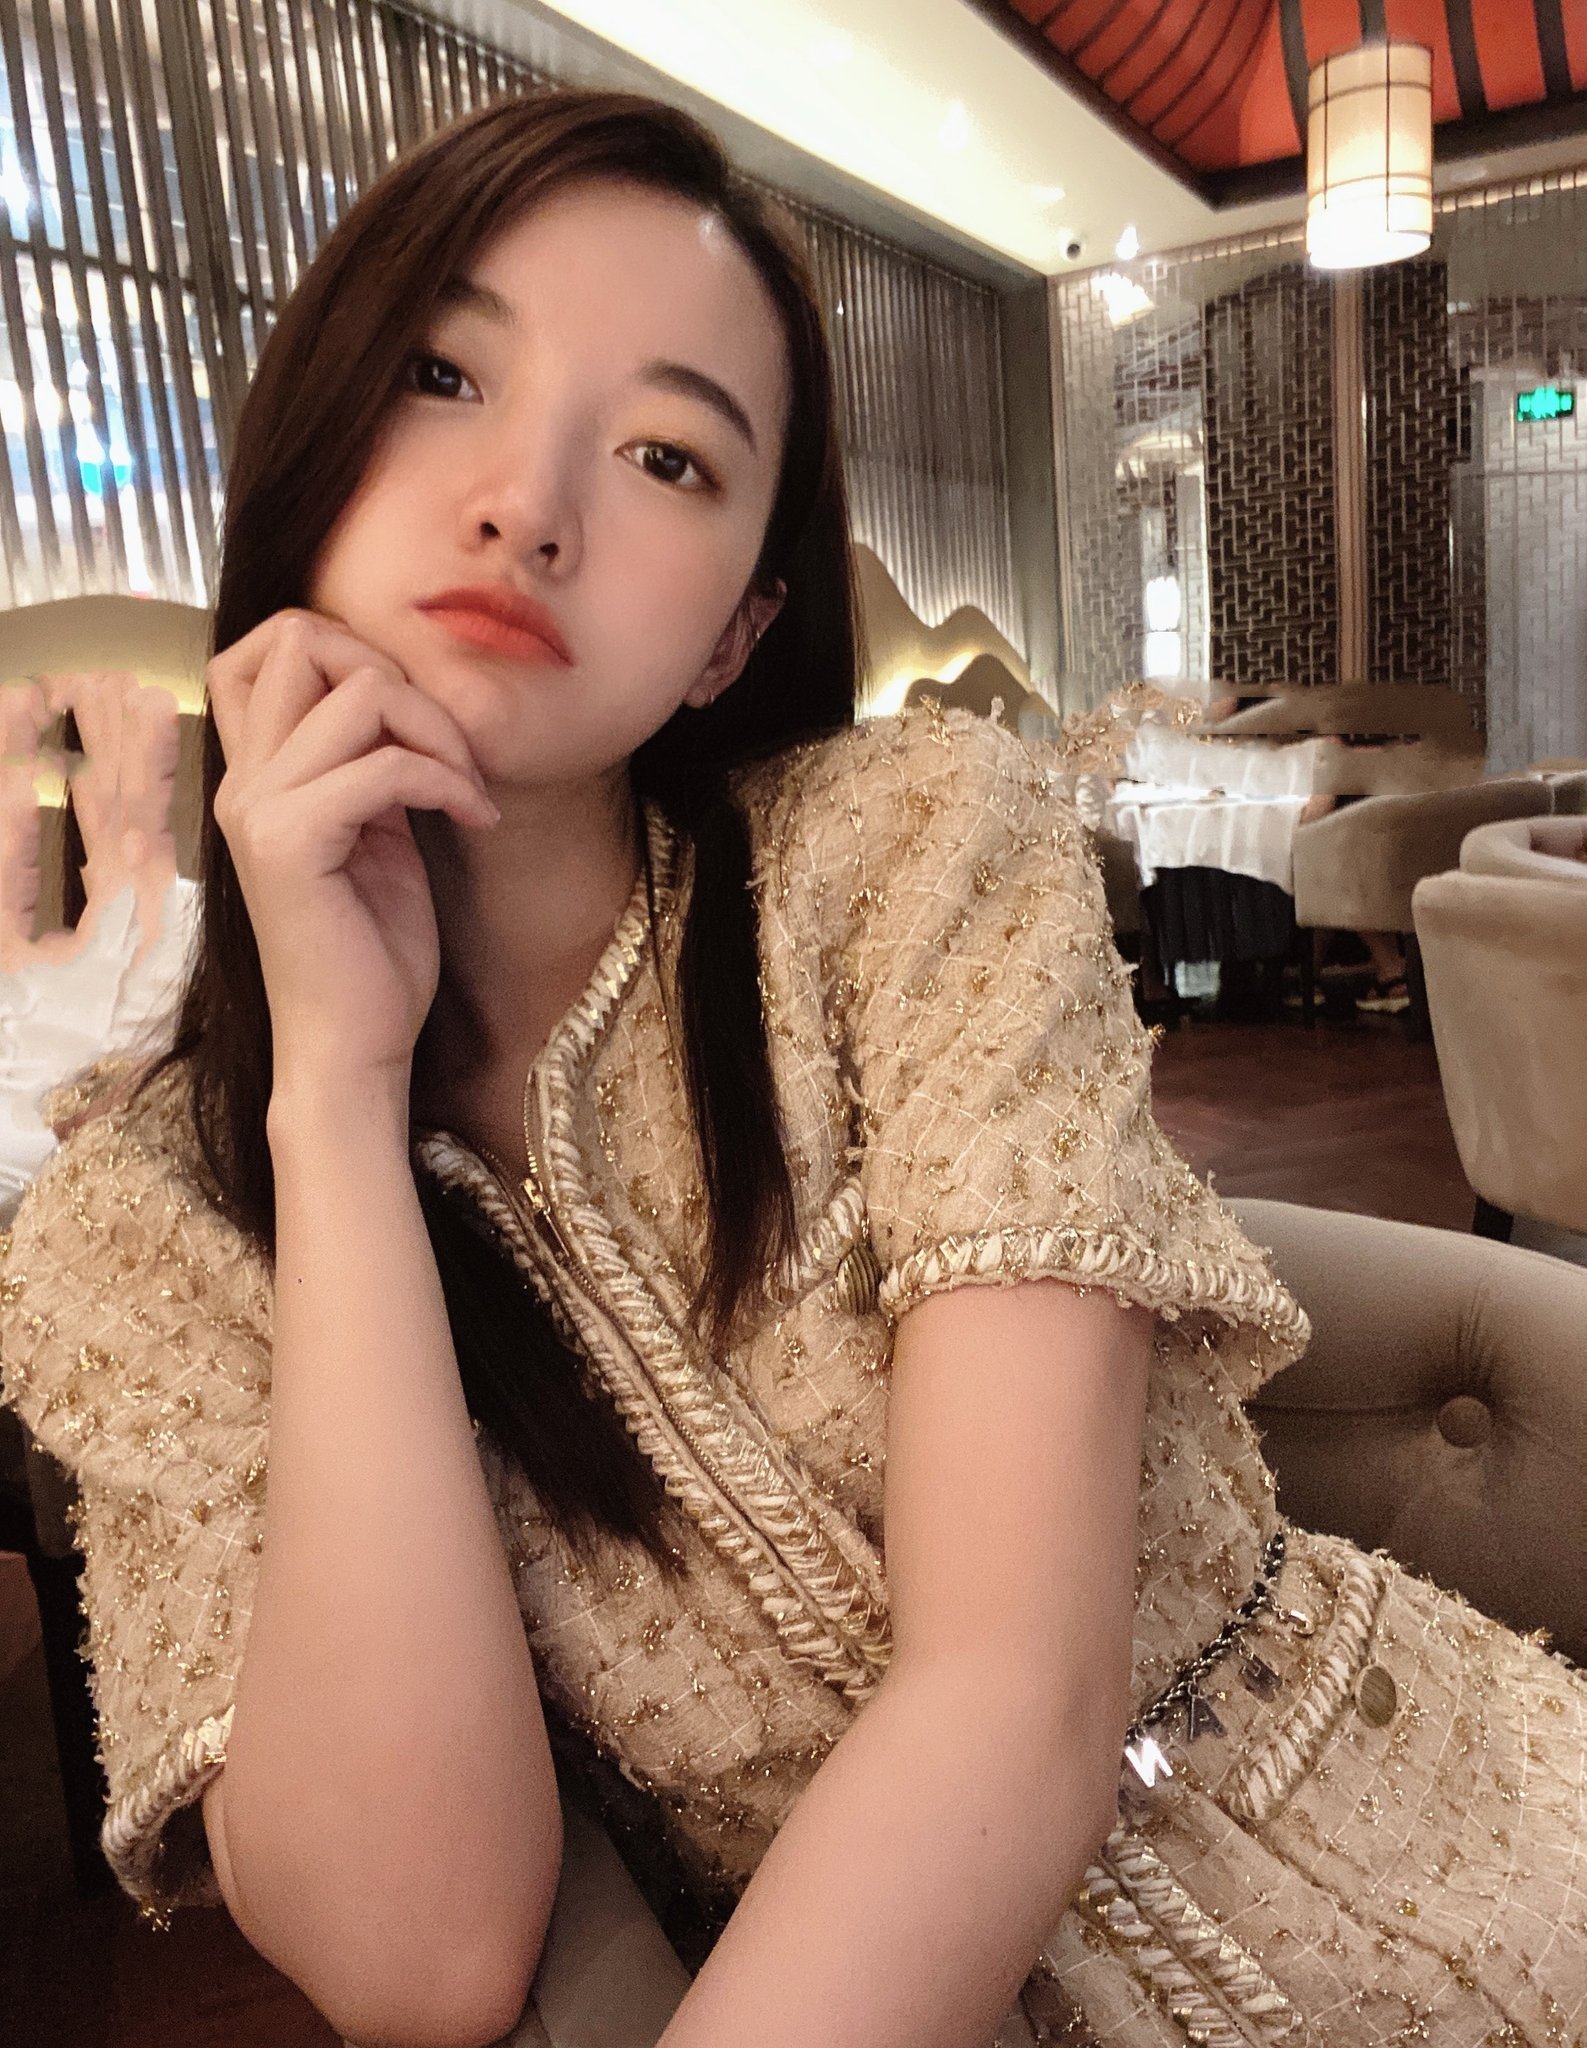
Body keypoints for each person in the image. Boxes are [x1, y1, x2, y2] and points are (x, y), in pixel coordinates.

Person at [1, 87, 1583, 2048]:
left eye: (665, 455)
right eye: (442, 374)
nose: (527, 504)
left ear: (734, 630)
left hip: (1486, 1869)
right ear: (305, 447)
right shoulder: (134, 1233)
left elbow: (1015, 1694)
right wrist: (331, 1099)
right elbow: (421, 1955)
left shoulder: (909, 856)